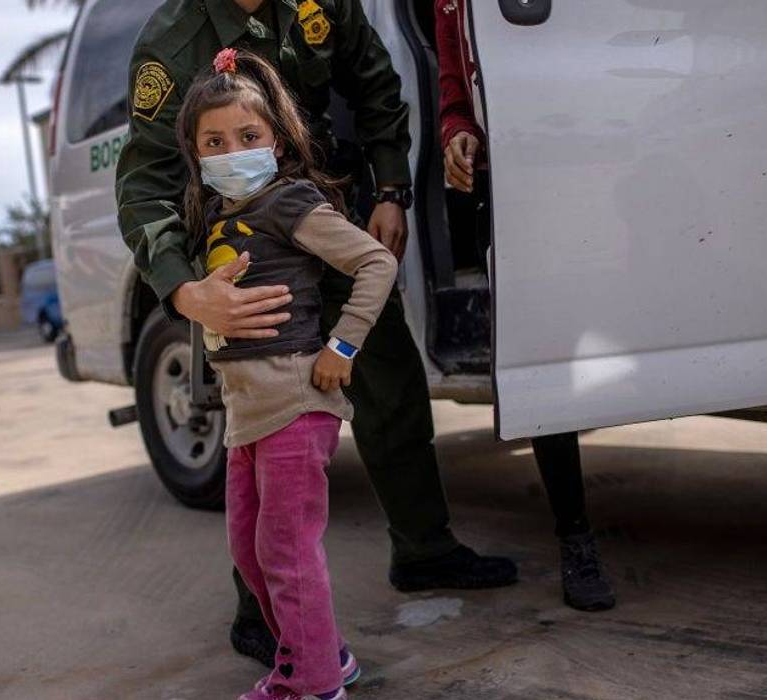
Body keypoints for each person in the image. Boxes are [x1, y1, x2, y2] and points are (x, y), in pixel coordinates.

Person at [117, 0, 518, 667]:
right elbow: (144, 182)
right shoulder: (173, 37)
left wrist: (391, 189)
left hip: (325, 210)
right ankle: (260, 613)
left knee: (388, 371)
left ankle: (424, 548)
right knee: (258, 429)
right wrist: (188, 291)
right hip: (240, 248)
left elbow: (374, 83)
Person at [178, 46, 394, 700]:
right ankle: (327, 658)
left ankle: (311, 684)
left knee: (286, 554)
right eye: (213, 141)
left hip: (295, 405)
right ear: (196, 154)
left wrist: (344, 347)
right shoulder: (218, 214)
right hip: (245, 417)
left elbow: (375, 264)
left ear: (276, 141)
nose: (231, 149)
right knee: (251, 555)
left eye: (248, 135)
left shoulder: (288, 201)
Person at [435, 0, 615, 612]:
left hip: (602, 154)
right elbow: (456, 86)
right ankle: (575, 536)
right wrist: (457, 132)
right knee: (543, 354)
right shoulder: (450, 3)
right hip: (517, 175)